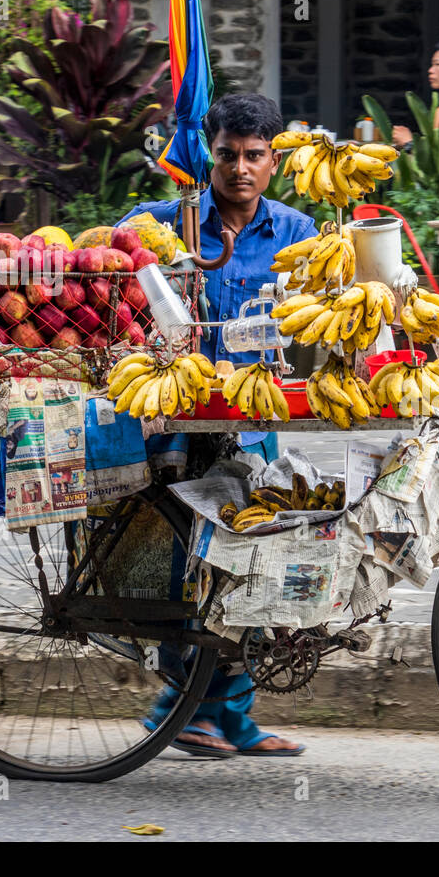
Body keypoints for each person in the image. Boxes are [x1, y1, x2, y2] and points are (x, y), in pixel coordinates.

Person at [120, 92, 315, 757]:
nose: (239, 168)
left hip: (256, 419)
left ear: (273, 161)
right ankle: (176, 711)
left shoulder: (297, 232)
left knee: (254, 562)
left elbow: (323, 307)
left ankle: (234, 717)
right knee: (187, 566)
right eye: (227, 154)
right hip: (178, 422)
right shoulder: (166, 220)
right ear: (210, 155)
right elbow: (113, 259)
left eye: (254, 156)